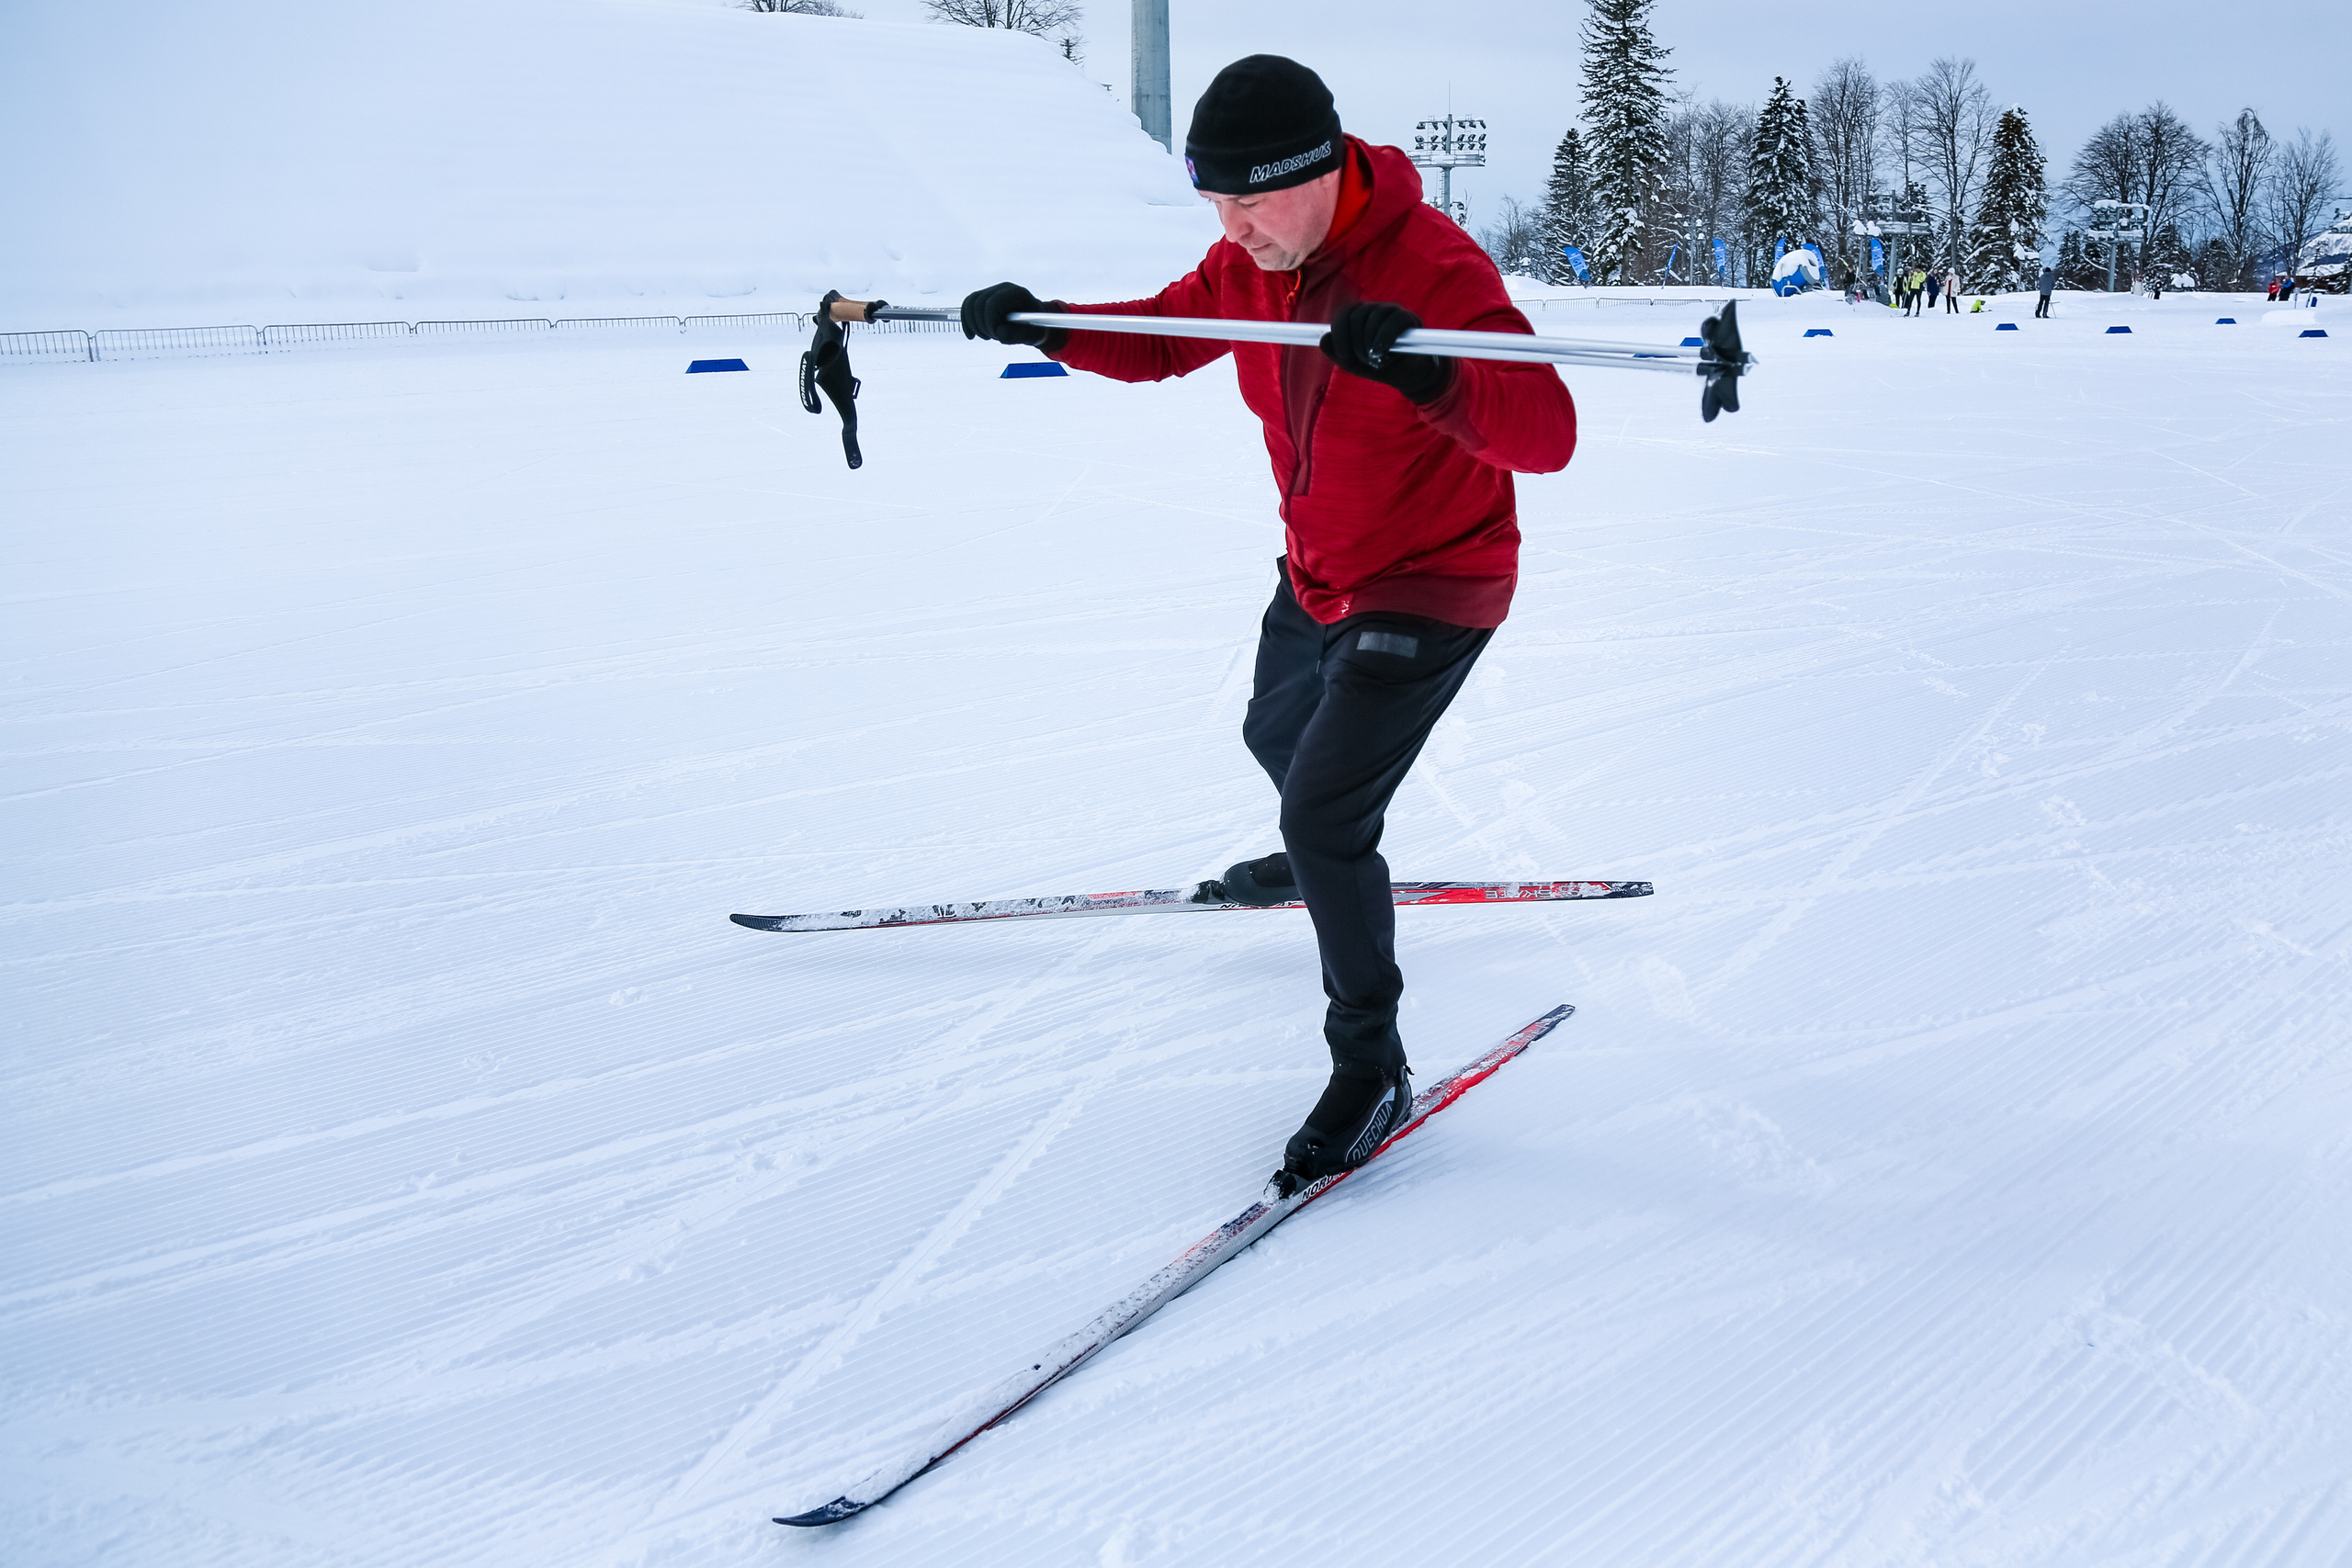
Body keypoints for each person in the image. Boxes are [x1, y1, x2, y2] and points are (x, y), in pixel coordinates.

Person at [956, 55, 1577, 1196]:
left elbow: (1545, 430)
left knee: (1323, 810)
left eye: (1253, 200)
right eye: (1216, 204)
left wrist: (1426, 367)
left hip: (1433, 577)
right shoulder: (1252, 262)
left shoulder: (1431, 266)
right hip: (1320, 572)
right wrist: (1045, 325)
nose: (1235, 228)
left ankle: (1370, 1065)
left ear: (1326, 169)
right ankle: (1329, 864)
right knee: (1274, 738)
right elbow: (1161, 336)